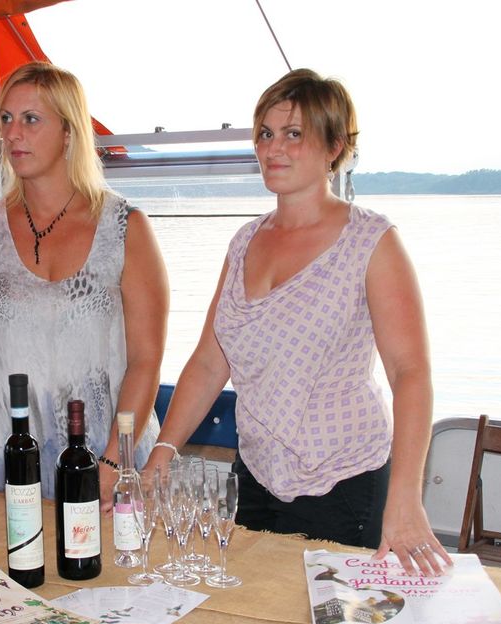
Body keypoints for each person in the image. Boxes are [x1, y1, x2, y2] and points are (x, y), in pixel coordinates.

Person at [143, 69, 451, 576]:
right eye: (265, 133)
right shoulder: (244, 242)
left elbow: (410, 372)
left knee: (333, 621)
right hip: (256, 475)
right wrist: (164, 449)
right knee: (253, 606)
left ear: (334, 147)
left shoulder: (370, 241)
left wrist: (406, 497)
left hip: (344, 481)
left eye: (293, 134)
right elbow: (209, 362)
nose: (273, 148)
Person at [0, 62, 168, 508]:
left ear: (69, 132)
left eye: (31, 119)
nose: (12, 134)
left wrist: (115, 462)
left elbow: (146, 360)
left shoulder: (126, 228)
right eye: (6, 119)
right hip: (4, 467)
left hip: (109, 463)